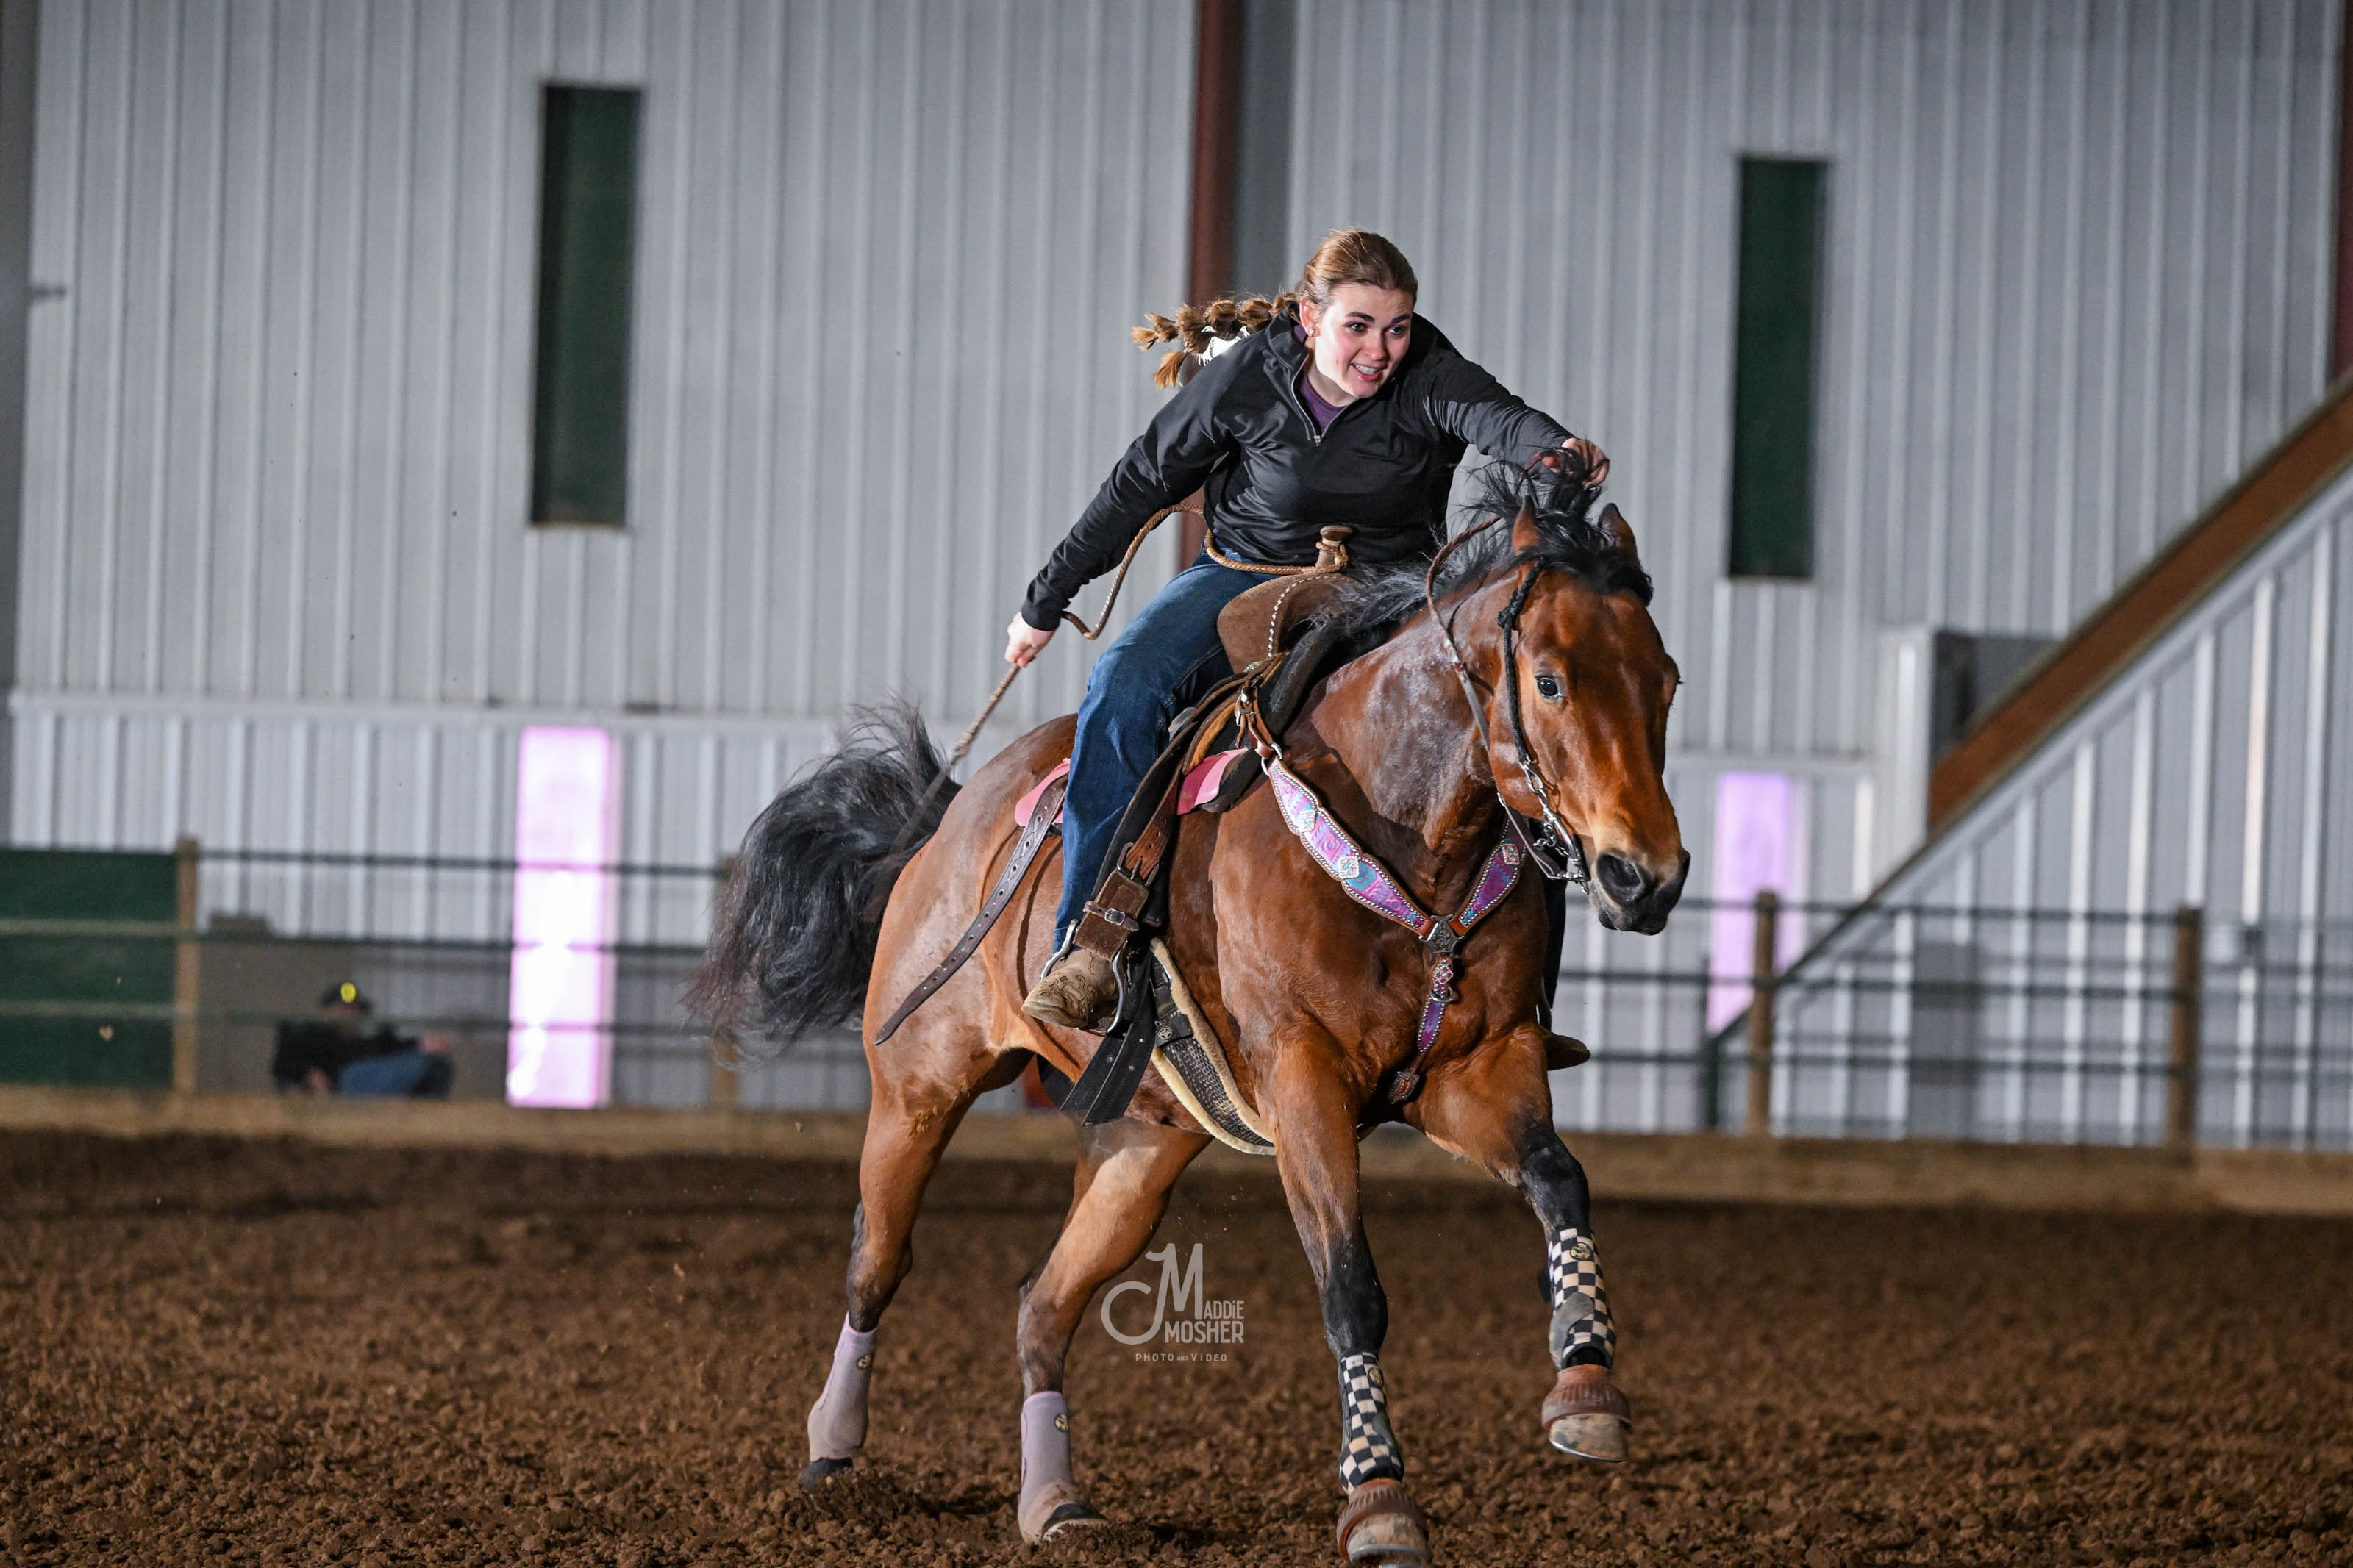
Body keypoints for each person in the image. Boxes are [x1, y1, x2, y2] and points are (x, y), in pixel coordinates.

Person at [1012, 229, 1607, 1029]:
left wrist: (1554, 451)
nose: (1380, 350)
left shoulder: (1430, 373)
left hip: (1390, 589)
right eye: (1357, 326)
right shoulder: (1245, 380)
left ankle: (1524, 1002)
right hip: (1244, 573)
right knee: (1125, 685)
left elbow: (1500, 420)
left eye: (1395, 328)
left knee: (1502, 727)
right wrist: (1045, 600)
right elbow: (1136, 483)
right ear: (1307, 318)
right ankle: (1088, 943)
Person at [270, 981, 455, 1098]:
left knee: (434, 1064)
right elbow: (283, 1065)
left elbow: (386, 1047)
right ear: (324, 1012)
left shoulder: (360, 1041)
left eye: (356, 1010)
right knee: (422, 1065)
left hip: (365, 1079)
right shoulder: (305, 1035)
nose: (353, 1015)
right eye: (344, 1008)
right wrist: (308, 1074)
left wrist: (421, 1044)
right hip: (349, 1084)